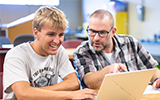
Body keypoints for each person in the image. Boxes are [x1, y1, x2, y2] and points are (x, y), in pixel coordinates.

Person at [3, 6, 97, 100]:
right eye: (51, 34)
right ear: (36, 33)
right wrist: (69, 95)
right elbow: (23, 95)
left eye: (61, 35)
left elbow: (74, 83)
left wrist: (34, 92)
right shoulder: (15, 55)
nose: (56, 41)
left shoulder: (59, 51)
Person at [73, 9, 160, 89]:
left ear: (113, 32)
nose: (96, 38)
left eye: (102, 32)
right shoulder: (82, 51)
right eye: (92, 31)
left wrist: (157, 79)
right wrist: (108, 70)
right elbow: (89, 81)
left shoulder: (130, 42)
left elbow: (152, 68)